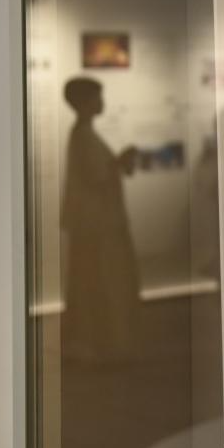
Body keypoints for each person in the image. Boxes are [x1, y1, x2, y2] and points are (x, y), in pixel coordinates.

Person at [61, 77, 140, 363]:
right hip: (96, 226)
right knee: (101, 283)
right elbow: (96, 177)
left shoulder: (84, 134)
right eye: (97, 97)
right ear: (84, 102)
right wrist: (120, 161)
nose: (101, 102)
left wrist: (118, 163)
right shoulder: (82, 136)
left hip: (97, 224)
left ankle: (99, 344)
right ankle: (99, 345)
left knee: (99, 282)